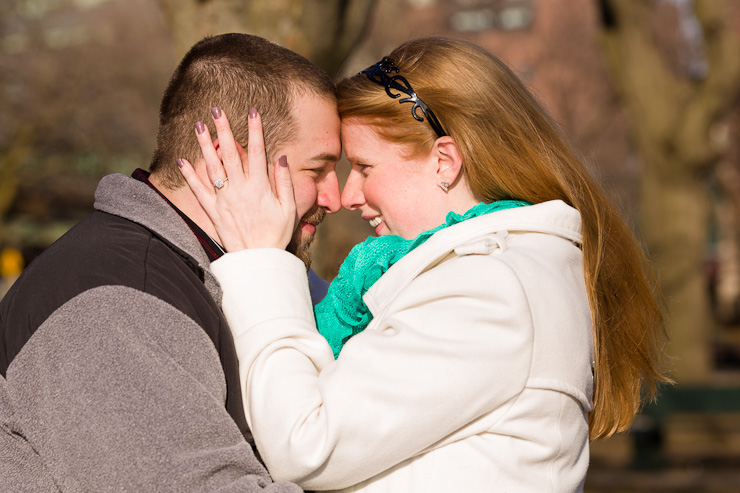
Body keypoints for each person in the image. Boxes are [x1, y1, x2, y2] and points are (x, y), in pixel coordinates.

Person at [180, 37, 672, 492]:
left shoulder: (490, 290)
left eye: (364, 168)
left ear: (444, 161)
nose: (349, 196)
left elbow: (304, 444)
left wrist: (260, 260)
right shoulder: (492, 273)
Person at [0, 33, 342, 492]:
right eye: (317, 170)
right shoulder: (116, 297)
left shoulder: (249, 275)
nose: (336, 197)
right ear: (225, 159)